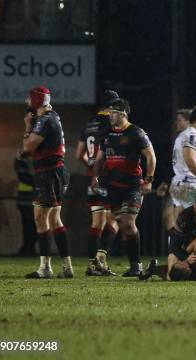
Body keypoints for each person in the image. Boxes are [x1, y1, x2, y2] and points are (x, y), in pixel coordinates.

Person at [91, 98, 156, 276]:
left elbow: (151, 156)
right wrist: (94, 177)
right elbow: (99, 159)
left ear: (123, 114)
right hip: (113, 186)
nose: (110, 116)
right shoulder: (107, 133)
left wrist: (149, 179)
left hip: (132, 186)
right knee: (114, 221)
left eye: (113, 113)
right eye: (109, 113)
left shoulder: (136, 132)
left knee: (127, 222)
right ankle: (102, 258)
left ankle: (136, 265)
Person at [19, 86, 74, 278]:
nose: (27, 102)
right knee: (54, 219)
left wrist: (27, 127)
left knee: (40, 218)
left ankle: (45, 268)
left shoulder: (44, 120)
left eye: (29, 99)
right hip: (57, 171)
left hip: (48, 174)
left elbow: (27, 149)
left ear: (36, 101)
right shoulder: (54, 116)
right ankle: (67, 267)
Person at [76, 90, 121, 276]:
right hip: (108, 178)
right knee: (115, 219)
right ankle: (100, 260)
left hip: (91, 179)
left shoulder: (89, 124)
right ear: (111, 106)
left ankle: (91, 264)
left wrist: (92, 165)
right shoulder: (110, 124)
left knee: (96, 224)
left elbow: (79, 154)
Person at [140, 192, 196, 281]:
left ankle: (154, 269)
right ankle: (162, 273)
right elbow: (173, 246)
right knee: (173, 261)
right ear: (195, 206)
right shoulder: (184, 217)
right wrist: (185, 257)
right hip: (189, 249)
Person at [14, 156, 36, 256]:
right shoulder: (22, 158)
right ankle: (27, 248)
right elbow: (23, 177)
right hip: (26, 199)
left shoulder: (32, 158)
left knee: (33, 226)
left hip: (32, 198)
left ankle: (28, 248)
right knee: (29, 226)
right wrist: (39, 182)